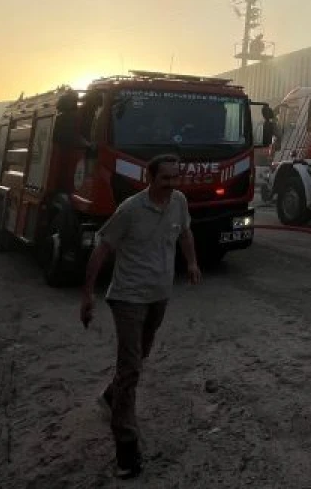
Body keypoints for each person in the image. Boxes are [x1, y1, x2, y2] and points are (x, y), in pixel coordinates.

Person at [80, 153, 201, 479]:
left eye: (176, 178)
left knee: (140, 356)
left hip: (158, 296)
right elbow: (103, 248)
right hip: (128, 298)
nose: (173, 184)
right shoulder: (130, 210)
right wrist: (87, 293)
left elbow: (185, 233)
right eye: (166, 179)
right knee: (131, 367)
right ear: (150, 179)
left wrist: (191, 262)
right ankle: (127, 450)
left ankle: (110, 395)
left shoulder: (179, 202)